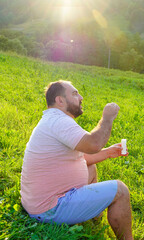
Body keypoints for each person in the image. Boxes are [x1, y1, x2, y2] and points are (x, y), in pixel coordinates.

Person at [20, 80, 133, 240]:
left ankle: (95, 216)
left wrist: (108, 152)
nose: (81, 97)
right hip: (50, 208)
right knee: (120, 190)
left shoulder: (53, 119)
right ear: (60, 100)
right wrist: (107, 118)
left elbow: (83, 157)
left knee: (90, 167)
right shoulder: (59, 121)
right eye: (74, 93)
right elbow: (94, 143)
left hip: (40, 201)